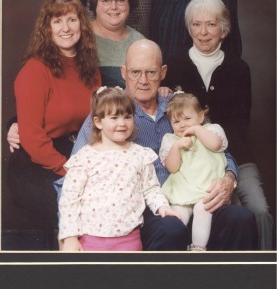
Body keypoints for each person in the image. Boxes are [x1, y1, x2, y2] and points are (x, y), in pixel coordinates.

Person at [71, 39, 258, 251]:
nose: (143, 80)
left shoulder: (179, 104)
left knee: (241, 218)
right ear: (123, 72)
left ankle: (233, 284)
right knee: (171, 229)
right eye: (135, 72)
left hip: (199, 199)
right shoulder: (110, 115)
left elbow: (218, 148)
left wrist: (229, 177)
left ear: (163, 72)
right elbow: (73, 175)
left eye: (151, 72)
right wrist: (69, 235)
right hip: (147, 211)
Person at [163, 0, 273, 250]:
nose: (203, 32)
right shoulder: (174, 66)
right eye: (196, 24)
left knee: (259, 210)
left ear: (224, 30)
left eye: (211, 24)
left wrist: (228, 172)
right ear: (189, 28)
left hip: (234, 155)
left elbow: (238, 124)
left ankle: (269, 277)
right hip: (189, 162)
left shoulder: (239, 69)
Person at [6, 0, 101, 232]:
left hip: (75, 155)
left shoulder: (89, 67)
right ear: (47, 29)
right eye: (57, 21)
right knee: (75, 210)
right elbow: (33, 138)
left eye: (72, 19)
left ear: (82, 24)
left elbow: (96, 121)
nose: (65, 28)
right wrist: (68, 169)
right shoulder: (35, 70)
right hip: (36, 165)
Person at [59, 86, 180, 252]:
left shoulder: (140, 155)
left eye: (127, 117)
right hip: (90, 240)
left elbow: (151, 189)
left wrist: (162, 206)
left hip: (129, 240)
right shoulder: (84, 158)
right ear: (98, 122)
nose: (122, 123)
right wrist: (70, 237)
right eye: (114, 117)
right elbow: (69, 201)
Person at [160, 90, 229, 251]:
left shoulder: (213, 129)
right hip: (183, 188)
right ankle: (177, 249)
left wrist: (197, 130)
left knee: (202, 208)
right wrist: (177, 147)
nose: (182, 124)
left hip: (207, 187)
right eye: (176, 121)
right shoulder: (170, 139)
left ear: (200, 116)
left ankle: (198, 248)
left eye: (187, 119)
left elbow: (215, 145)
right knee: (177, 216)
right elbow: (172, 167)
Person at [89, 0, 144, 87]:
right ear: (95, 4)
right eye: (106, 1)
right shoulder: (79, 35)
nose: (113, 7)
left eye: (120, 0)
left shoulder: (140, 43)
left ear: (129, 4)